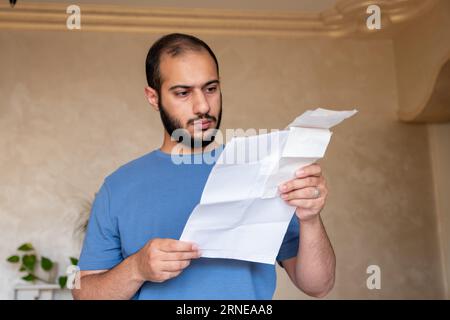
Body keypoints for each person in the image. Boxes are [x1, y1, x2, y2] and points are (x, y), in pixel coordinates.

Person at [72, 33, 335, 300]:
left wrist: (310, 218)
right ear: (153, 97)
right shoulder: (117, 187)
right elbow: (84, 294)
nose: (203, 106)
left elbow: (318, 286)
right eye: (183, 93)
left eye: (210, 88)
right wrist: (136, 269)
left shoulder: (263, 170)